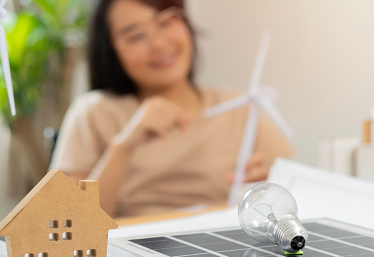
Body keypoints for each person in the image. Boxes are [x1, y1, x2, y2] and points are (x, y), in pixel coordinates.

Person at [50, 0, 294, 218]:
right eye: (135, 36)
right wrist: (122, 148)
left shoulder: (243, 108)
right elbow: (65, 225)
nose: (157, 44)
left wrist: (268, 189)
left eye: (166, 22)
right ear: (109, 53)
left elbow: (296, 196)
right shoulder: (93, 113)